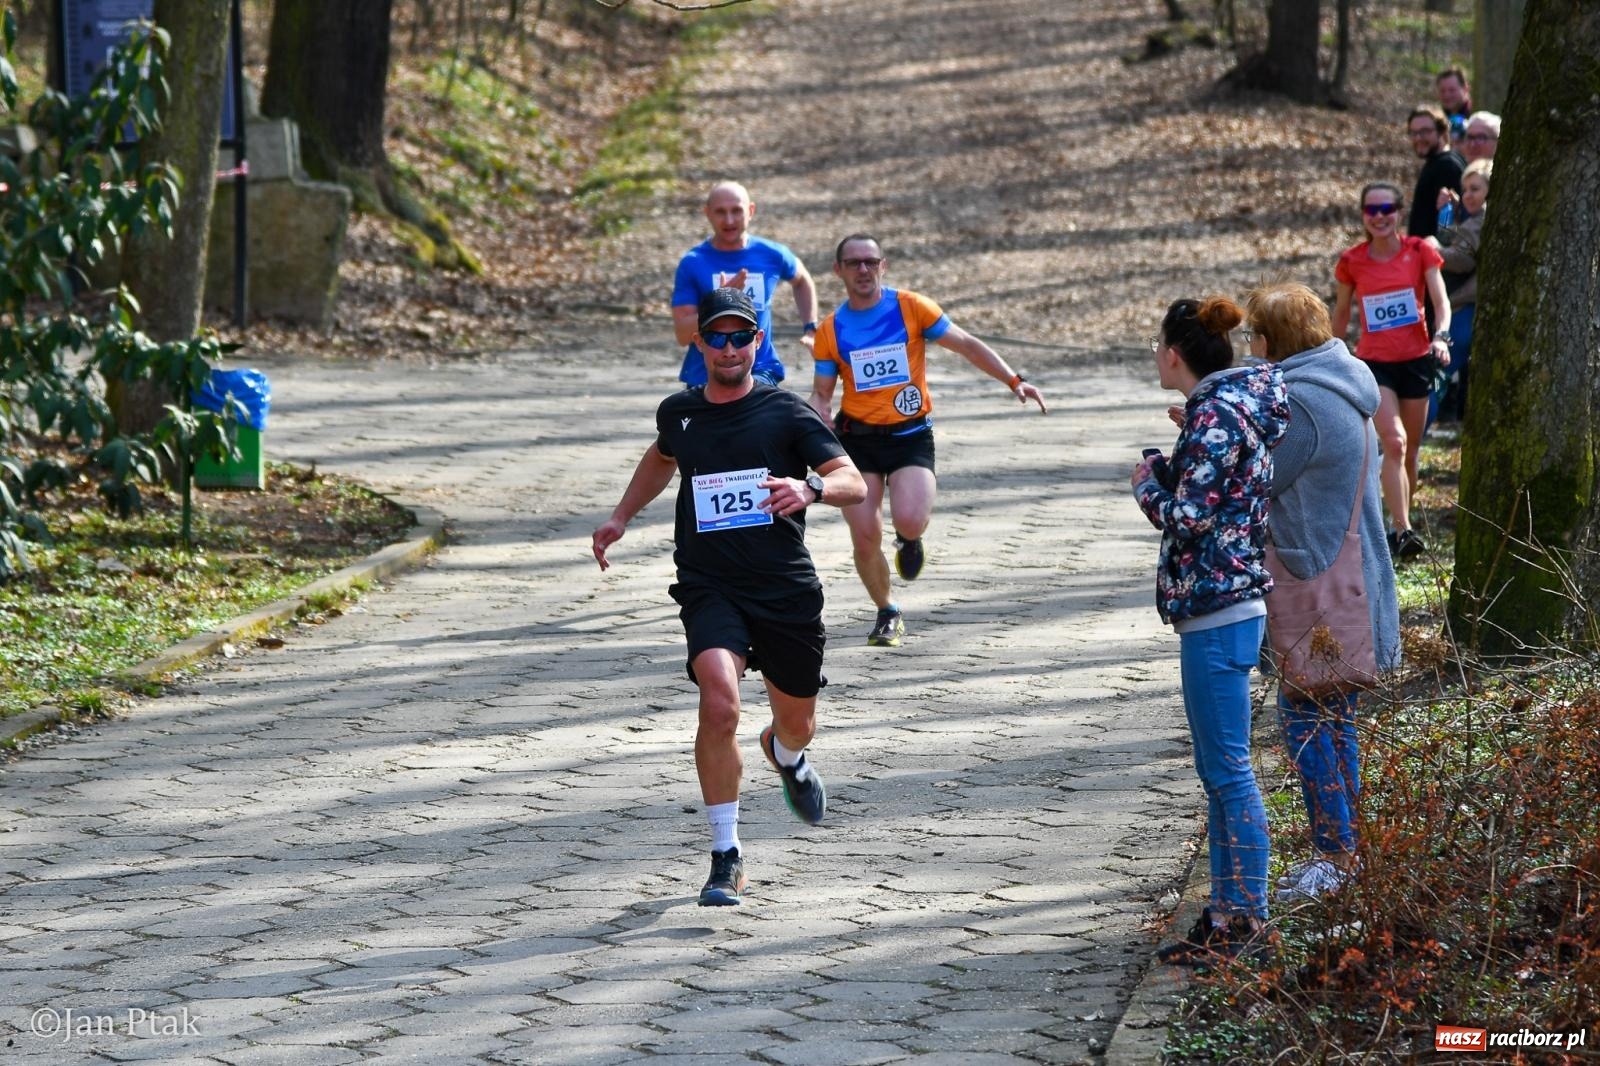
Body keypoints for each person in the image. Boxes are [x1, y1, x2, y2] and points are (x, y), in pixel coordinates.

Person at [592, 287, 866, 907]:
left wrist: (811, 490)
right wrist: (620, 517)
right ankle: (726, 855)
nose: (729, 346)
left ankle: (785, 754)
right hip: (710, 585)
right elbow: (663, 457)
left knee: (797, 723)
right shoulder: (680, 412)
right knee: (719, 706)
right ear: (700, 343)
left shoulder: (786, 414)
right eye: (717, 336)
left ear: (758, 342)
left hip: (786, 590)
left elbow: (849, 480)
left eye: (741, 336)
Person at [1132, 296, 1289, 963]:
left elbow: (1187, 516)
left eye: (1160, 345)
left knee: (1227, 772)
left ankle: (1245, 920)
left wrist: (1147, 480)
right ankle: (1224, 916)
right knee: (1218, 769)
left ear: (1175, 353)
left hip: (1220, 609)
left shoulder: (1217, 414)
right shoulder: (1225, 409)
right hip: (1225, 606)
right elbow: (1214, 498)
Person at [1241, 282, 1401, 904]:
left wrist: (1218, 439)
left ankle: (1333, 853)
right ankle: (1349, 848)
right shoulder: (1345, 383)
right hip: (1351, 581)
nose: (1249, 347)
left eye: (1254, 335)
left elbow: (1260, 478)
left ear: (1274, 341)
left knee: (1305, 717)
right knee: (1337, 720)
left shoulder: (1304, 402)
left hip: (1316, 589)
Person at [806, 234, 1047, 647]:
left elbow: (967, 344)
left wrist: (1014, 380)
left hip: (910, 435)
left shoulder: (911, 308)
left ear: (883, 265)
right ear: (838, 270)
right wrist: (816, 414)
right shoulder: (832, 329)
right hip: (858, 440)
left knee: (911, 518)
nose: (862, 270)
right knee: (864, 534)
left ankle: (910, 539)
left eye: (870, 261)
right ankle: (887, 611)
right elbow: (822, 393)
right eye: (853, 263)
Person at [1332, 181, 1452, 560]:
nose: (1380, 216)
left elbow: (1441, 302)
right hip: (1376, 364)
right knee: (1395, 442)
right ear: (1364, 217)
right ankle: (1403, 529)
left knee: (1411, 451)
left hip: (1416, 360)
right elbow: (1340, 313)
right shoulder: (1353, 261)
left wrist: (1442, 336)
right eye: (1372, 210)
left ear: (1399, 212)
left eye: (1387, 208)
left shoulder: (1420, 252)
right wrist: (1331, 354)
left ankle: (1401, 525)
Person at [671, 181, 820, 388]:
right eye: (720, 212)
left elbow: (802, 280)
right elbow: (682, 334)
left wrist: (811, 327)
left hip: (760, 371)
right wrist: (720, 302)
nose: (729, 220)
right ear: (708, 213)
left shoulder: (772, 254)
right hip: (706, 376)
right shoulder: (693, 263)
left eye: (736, 211)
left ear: (751, 211)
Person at [1429, 158, 1491, 424]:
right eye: (1465, 189)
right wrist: (1448, 215)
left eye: (1475, 188)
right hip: (1464, 307)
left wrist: (1432, 248)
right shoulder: (1475, 219)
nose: (1468, 195)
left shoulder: (1481, 220)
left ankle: (1415, 435)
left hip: (1465, 309)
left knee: (1434, 376)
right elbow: (1459, 243)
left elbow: (1462, 258)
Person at [1404, 105, 1465, 240]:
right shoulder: (1438, 162)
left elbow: (1449, 224)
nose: (1418, 138)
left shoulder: (1447, 166)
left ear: (1442, 131)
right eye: (1413, 133)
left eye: (1425, 131)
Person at [1434, 66, 1473, 140]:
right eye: (1442, 91)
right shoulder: (1435, 120)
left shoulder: (1476, 115)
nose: (1447, 95)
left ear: (1465, 89)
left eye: (1452, 90)